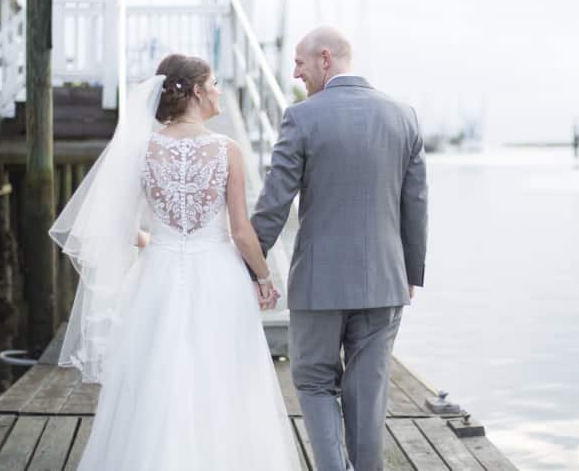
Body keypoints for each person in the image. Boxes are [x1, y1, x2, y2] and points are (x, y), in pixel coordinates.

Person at [50, 54, 300, 470]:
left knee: (157, 376)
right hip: (218, 274)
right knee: (223, 373)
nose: (220, 90)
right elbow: (241, 231)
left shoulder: (141, 148)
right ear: (198, 91)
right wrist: (263, 276)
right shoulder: (227, 150)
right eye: (216, 82)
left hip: (159, 273)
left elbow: (116, 221)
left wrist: (159, 241)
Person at [251, 26, 428, 471]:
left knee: (312, 383)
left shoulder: (302, 117)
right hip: (385, 282)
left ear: (325, 58)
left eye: (300, 62)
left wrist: (251, 264)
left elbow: (275, 201)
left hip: (319, 284)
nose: (295, 72)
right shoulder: (404, 116)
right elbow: (417, 203)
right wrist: (411, 272)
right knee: (369, 394)